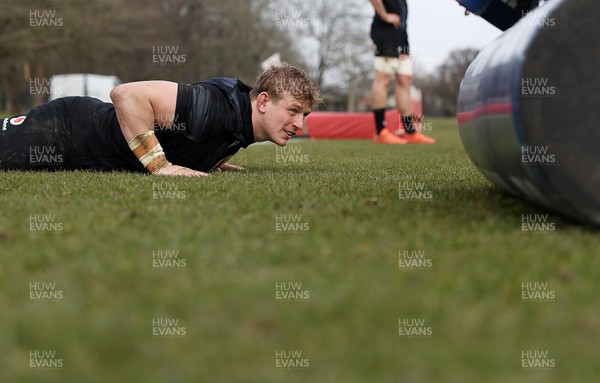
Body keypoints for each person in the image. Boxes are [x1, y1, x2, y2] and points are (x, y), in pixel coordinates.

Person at [0, 63, 323, 176]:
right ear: (264, 101)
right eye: (293, 111)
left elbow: (193, 136)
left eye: (304, 115)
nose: (299, 124)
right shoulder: (212, 107)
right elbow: (126, 95)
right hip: (65, 130)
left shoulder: (239, 127)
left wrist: (209, 158)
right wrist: (160, 164)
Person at [369, 0, 435, 144]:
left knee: (405, 80)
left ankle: (410, 131)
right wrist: (385, 15)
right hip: (385, 32)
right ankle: (381, 131)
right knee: (384, 78)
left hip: (401, 34)